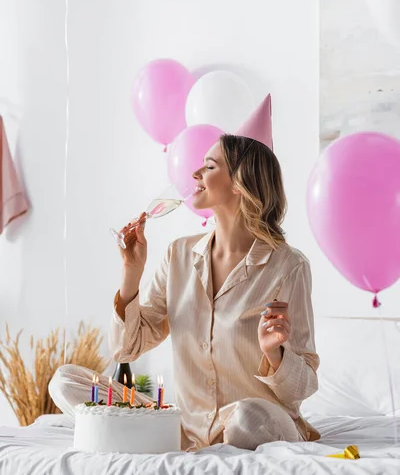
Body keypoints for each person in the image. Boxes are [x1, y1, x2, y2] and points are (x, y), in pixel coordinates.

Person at [49, 130, 320, 452]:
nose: (195, 174)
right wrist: (131, 272)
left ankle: (160, 439)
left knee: (249, 416)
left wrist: (275, 354)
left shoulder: (287, 265)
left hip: (261, 421)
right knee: (65, 381)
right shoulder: (178, 254)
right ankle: (175, 438)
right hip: (185, 429)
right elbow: (126, 349)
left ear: (239, 182)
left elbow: (302, 388)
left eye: (209, 166)